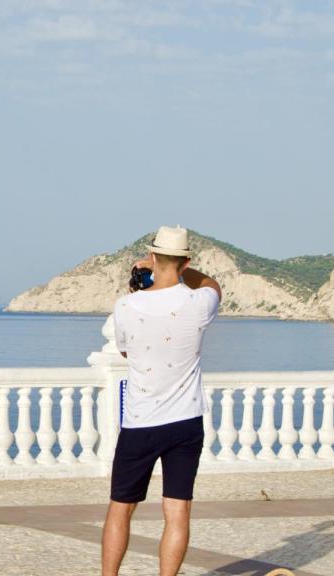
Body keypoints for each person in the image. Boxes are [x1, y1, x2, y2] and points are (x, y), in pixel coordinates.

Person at [101, 226, 222, 576]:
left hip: (140, 423)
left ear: (152, 257)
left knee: (121, 508)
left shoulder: (126, 306)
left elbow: (126, 351)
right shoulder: (199, 303)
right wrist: (182, 272)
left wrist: (147, 275)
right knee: (177, 511)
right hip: (186, 422)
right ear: (187, 261)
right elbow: (212, 284)